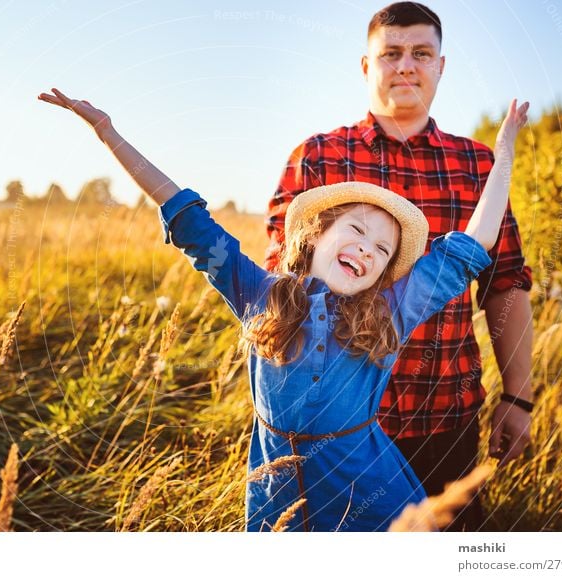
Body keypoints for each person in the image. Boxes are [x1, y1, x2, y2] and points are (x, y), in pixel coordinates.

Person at [37, 85, 528, 532]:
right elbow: (188, 219)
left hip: (373, 501)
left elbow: (474, 243)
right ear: (316, 235)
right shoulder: (259, 295)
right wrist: (109, 134)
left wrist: (504, 149)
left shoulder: (390, 313)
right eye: (356, 231)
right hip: (277, 496)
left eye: (382, 251)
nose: (365, 250)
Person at [263, 2, 535, 530]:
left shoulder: (478, 165)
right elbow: (283, 278)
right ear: (367, 66)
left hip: (445, 415)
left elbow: (505, 282)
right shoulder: (318, 157)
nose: (406, 65)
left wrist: (518, 395)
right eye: (390, 53)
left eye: (420, 53)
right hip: (332, 423)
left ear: (440, 65)